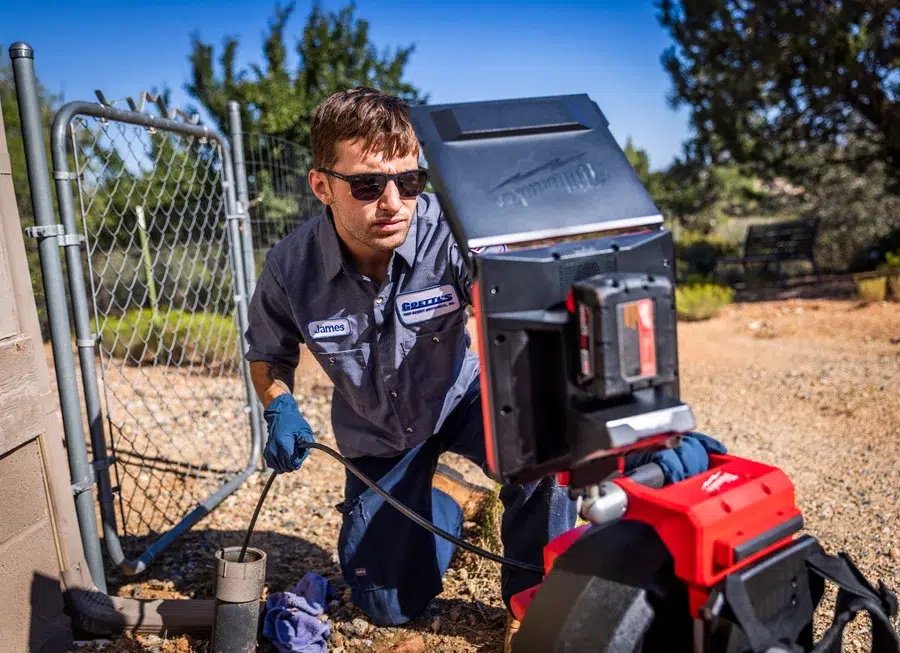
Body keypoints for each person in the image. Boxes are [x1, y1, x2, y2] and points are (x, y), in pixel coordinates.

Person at [243, 86, 725, 651]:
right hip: (375, 432)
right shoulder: (289, 268)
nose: (394, 203)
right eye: (368, 185)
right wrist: (279, 405)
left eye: (410, 181)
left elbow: (517, 305)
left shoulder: (453, 232)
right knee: (386, 605)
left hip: (460, 396)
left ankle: (533, 596)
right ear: (322, 185)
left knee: (545, 448)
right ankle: (448, 499)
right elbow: (267, 354)